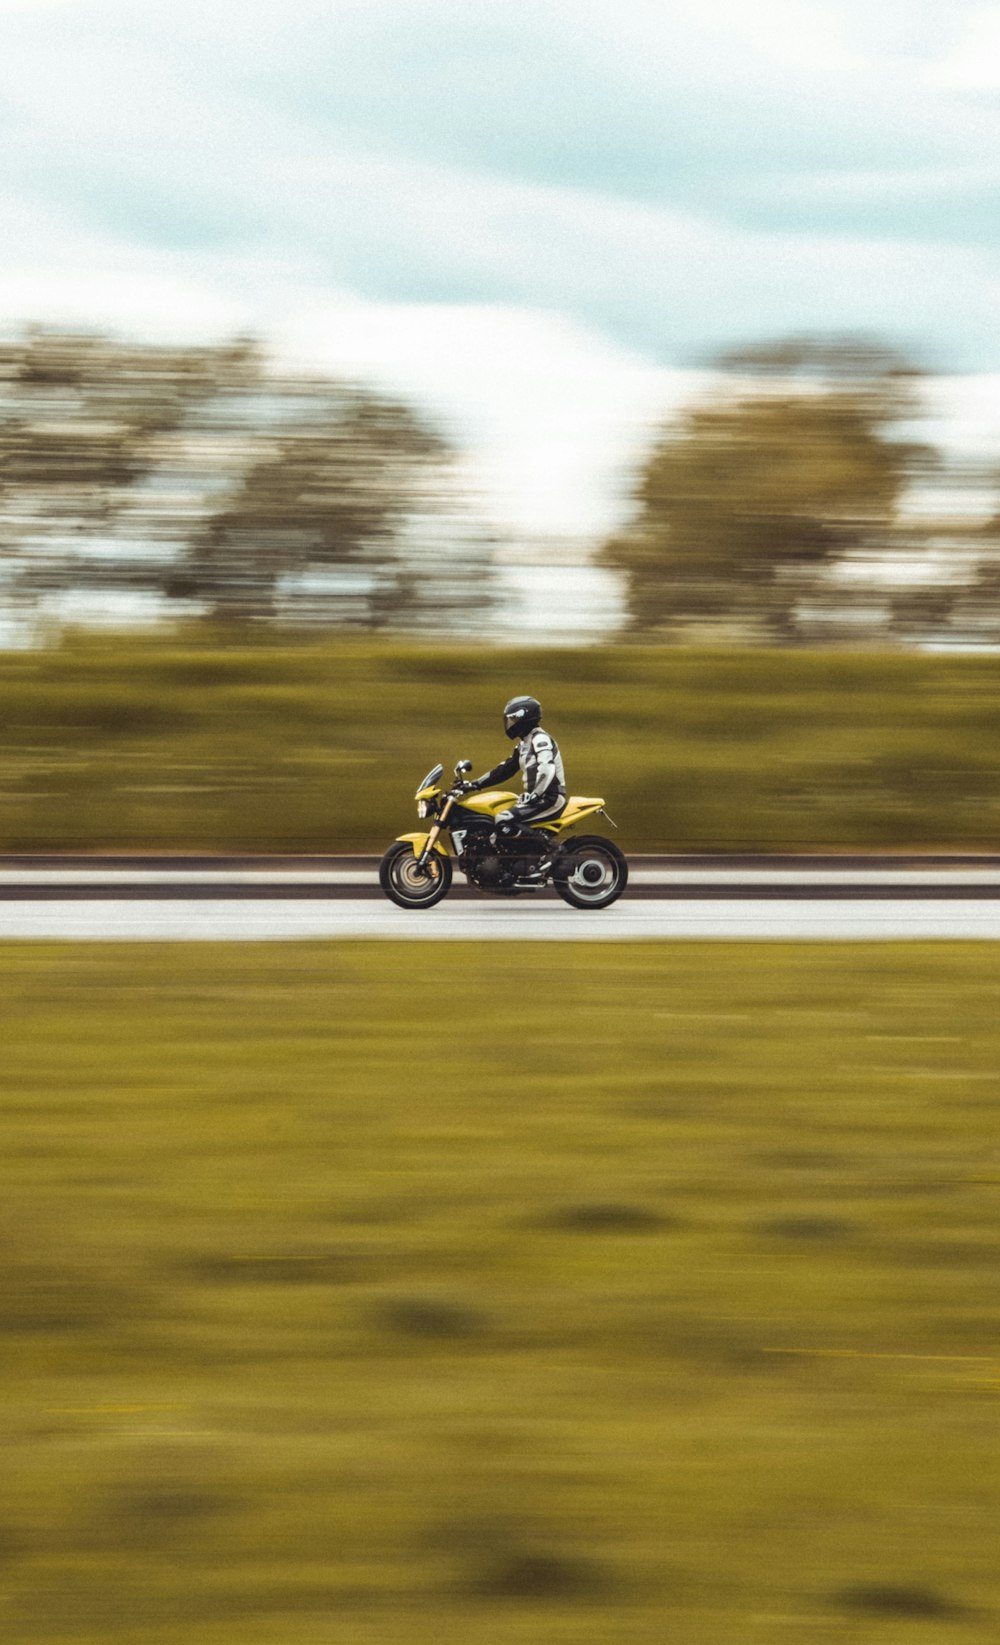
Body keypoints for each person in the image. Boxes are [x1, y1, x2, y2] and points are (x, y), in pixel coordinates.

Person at [465, 696, 566, 858]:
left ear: (524, 718)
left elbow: (547, 769)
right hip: (536, 797)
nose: (509, 723)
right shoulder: (524, 744)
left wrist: (536, 794)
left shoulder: (540, 739)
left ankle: (552, 848)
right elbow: (504, 770)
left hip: (549, 797)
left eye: (512, 719)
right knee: (495, 823)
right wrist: (474, 784)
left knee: (503, 820)